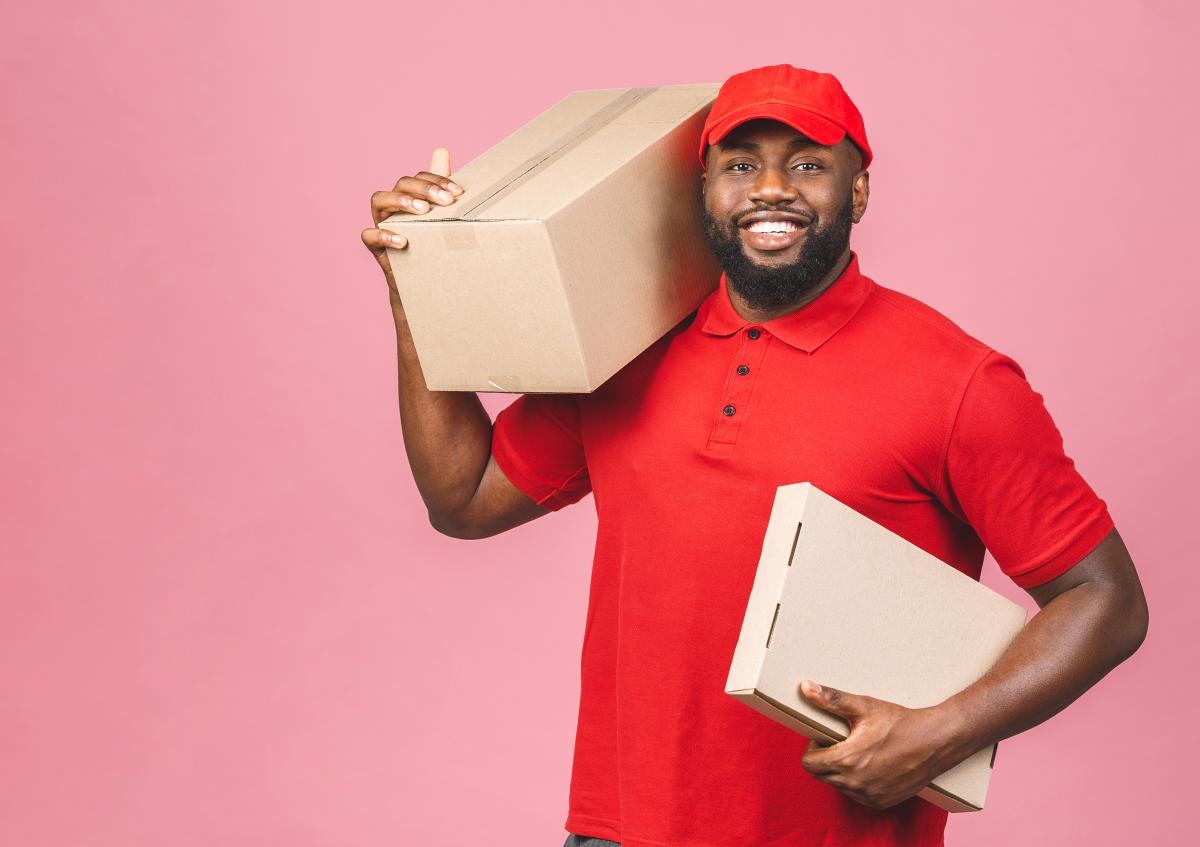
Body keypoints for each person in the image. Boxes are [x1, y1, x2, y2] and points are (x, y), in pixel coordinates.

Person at [360, 64, 1149, 847]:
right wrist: (416, 289)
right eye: (740, 165)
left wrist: (941, 732)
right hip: (619, 830)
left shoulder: (960, 382)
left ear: (859, 190)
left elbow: (1106, 599)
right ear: (703, 189)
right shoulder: (625, 351)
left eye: (807, 164)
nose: (770, 187)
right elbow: (463, 498)